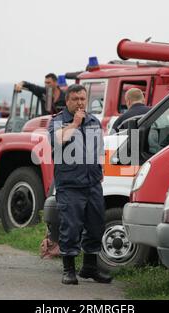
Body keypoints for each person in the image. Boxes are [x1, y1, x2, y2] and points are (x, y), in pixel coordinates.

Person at [48, 84, 112, 285]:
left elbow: (99, 147)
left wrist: (100, 169)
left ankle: (89, 268)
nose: (80, 102)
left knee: (96, 226)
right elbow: (58, 141)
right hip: (70, 184)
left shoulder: (93, 120)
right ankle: (69, 270)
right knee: (71, 227)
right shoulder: (58, 122)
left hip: (92, 183)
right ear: (67, 101)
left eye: (83, 99)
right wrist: (75, 123)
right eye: (75, 99)